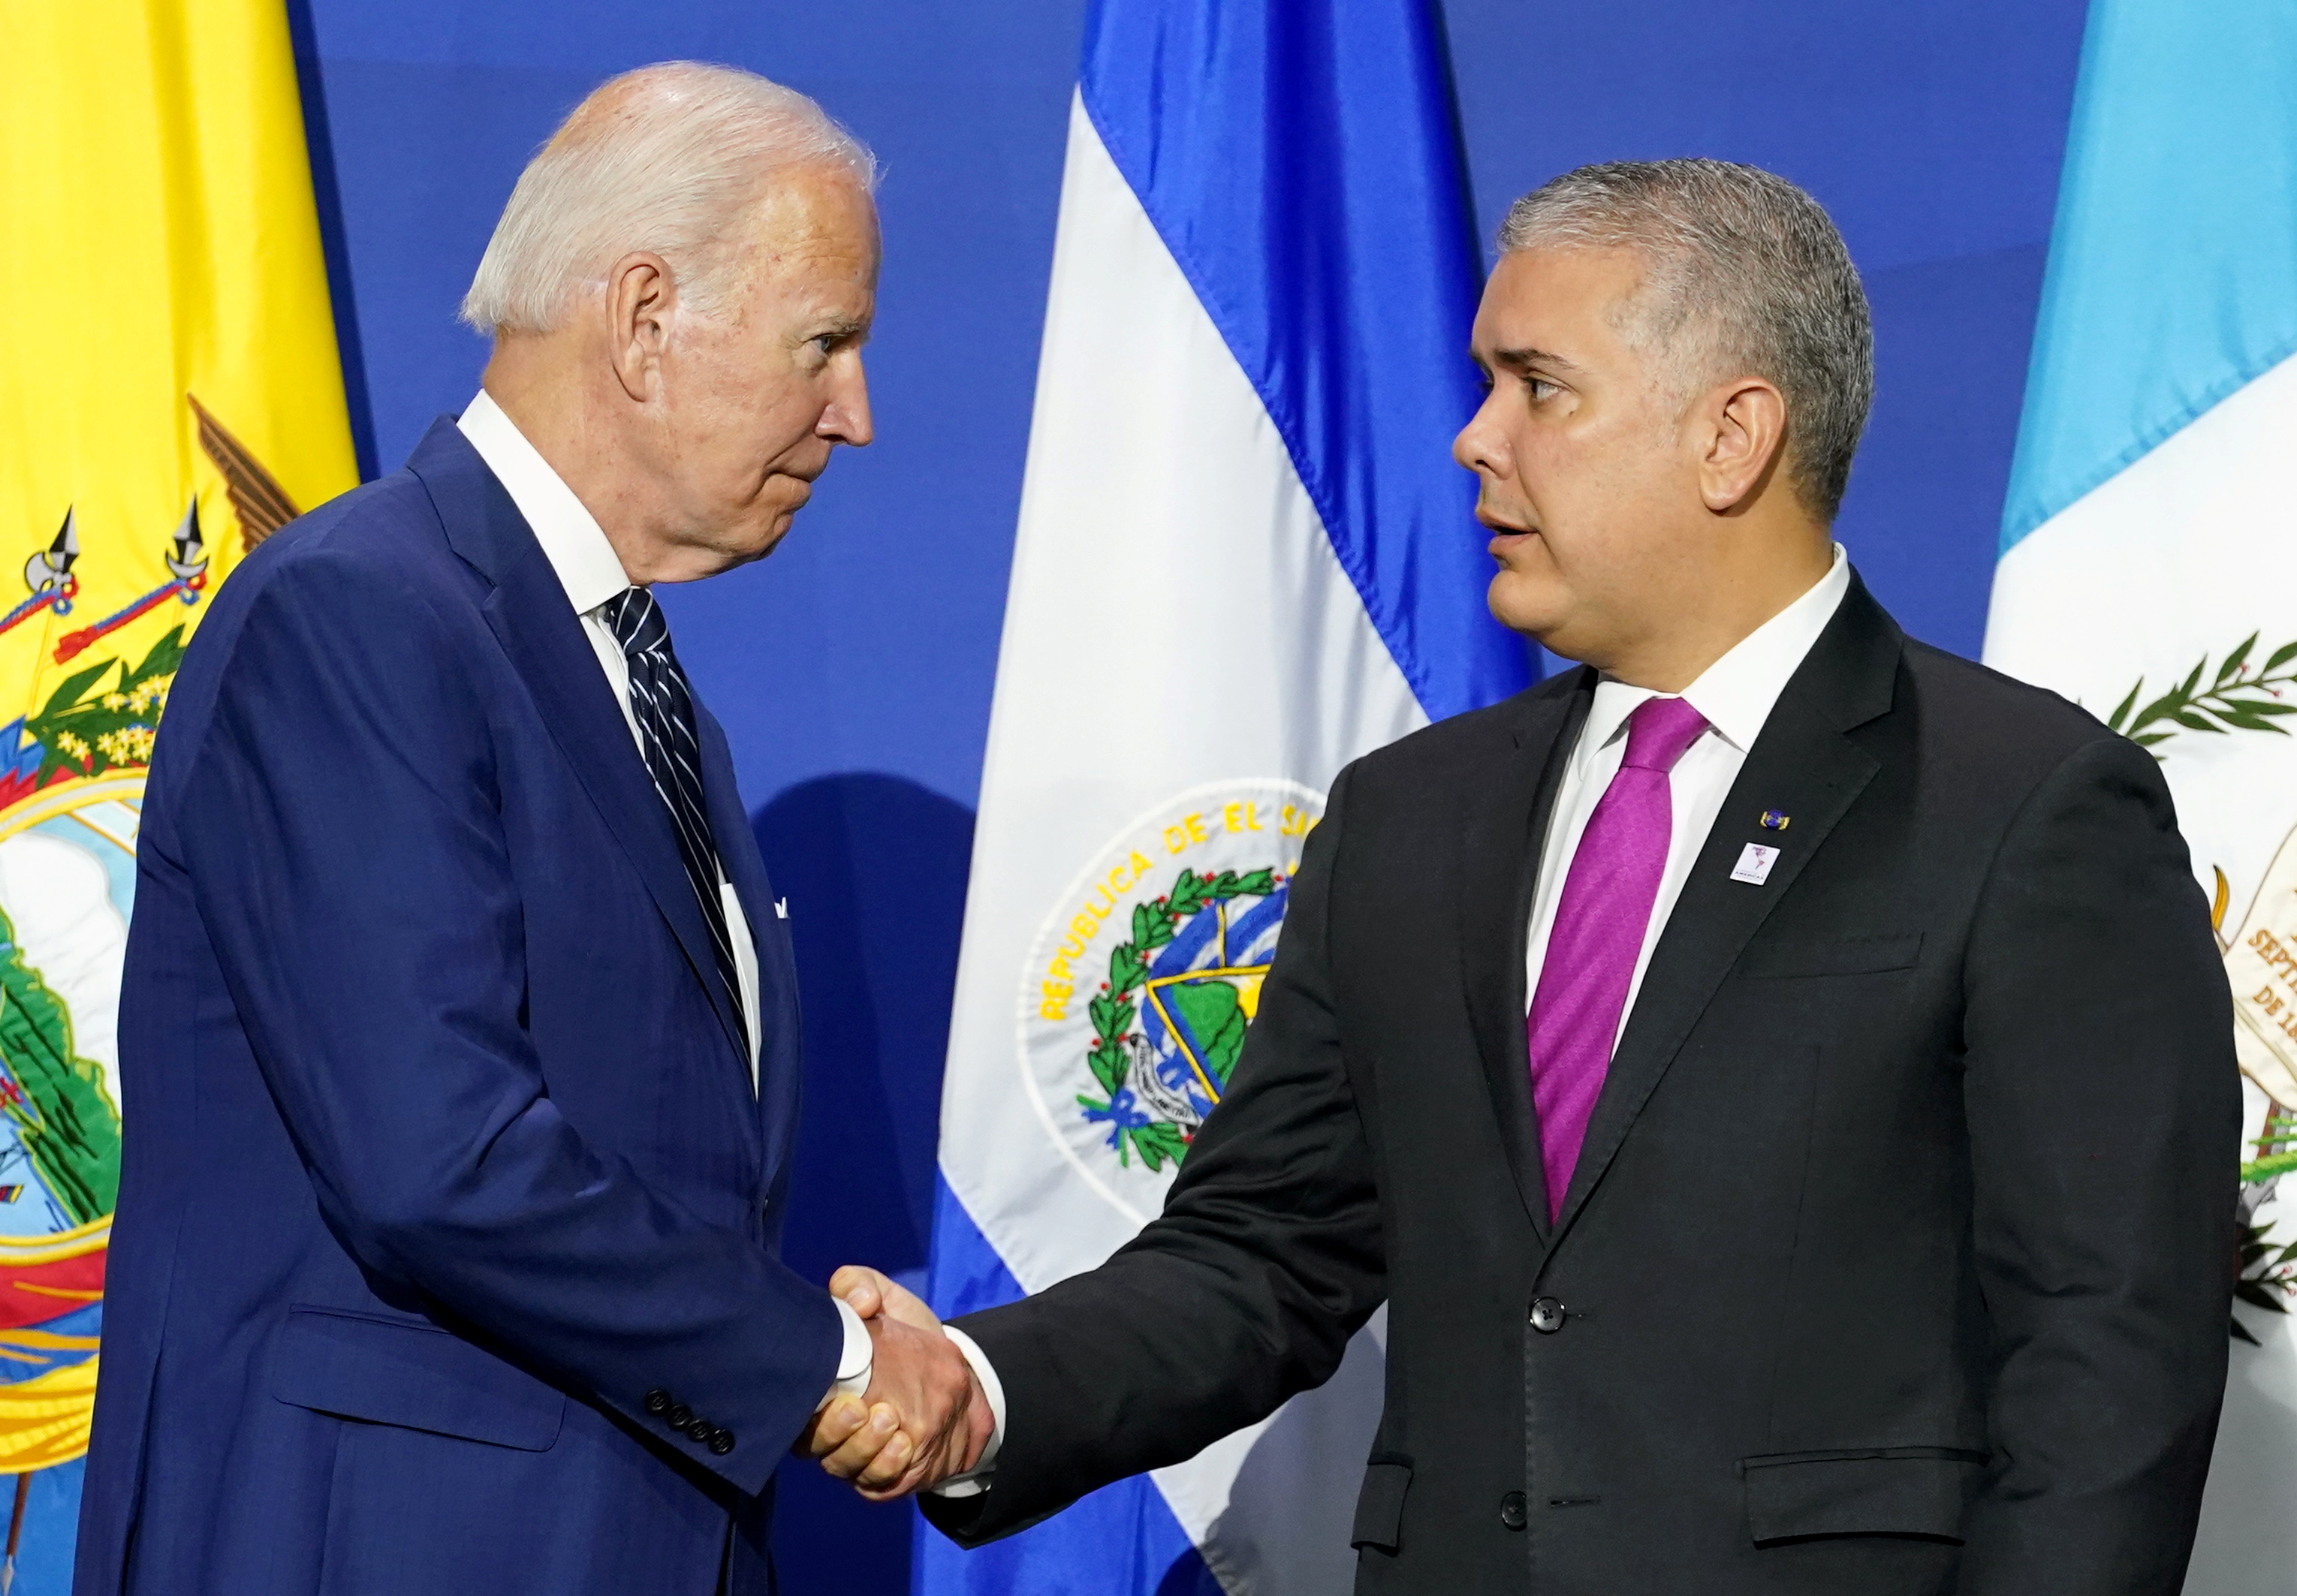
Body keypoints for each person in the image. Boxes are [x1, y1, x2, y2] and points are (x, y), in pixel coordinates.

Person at [815, 159, 2241, 1593]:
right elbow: (1264, 1249)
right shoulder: (1410, 817)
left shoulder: (2026, 805)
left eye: (1537, 386)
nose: (1474, 438)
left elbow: (2110, 1354)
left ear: (1732, 436)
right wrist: (984, 1386)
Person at [74, 62, 984, 1596]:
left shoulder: (635, 687)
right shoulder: (359, 611)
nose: (859, 414)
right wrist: (827, 1359)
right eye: (825, 343)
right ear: (644, 320)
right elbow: (439, 1157)